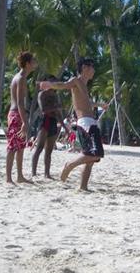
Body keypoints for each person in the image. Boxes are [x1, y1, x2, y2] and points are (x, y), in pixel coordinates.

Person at [40, 58, 108, 191]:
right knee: (96, 153)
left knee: (91, 160)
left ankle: (83, 186)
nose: (94, 70)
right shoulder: (76, 80)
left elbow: (85, 103)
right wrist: (50, 85)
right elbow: (63, 85)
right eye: (92, 67)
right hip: (85, 123)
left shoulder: (83, 85)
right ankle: (69, 165)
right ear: (84, 68)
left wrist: (100, 105)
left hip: (90, 122)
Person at [6, 51, 38, 184]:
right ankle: (8, 178)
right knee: (13, 147)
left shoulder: (21, 77)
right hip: (16, 114)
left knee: (20, 147)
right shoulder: (21, 78)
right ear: (27, 63)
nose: (36, 63)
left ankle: (19, 176)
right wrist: (25, 122)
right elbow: (19, 102)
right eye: (34, 61)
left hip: (17, 113)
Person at [31, 76, 68, 179]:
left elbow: (58, 113)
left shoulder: (55, 95)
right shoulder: (42, 94)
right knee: (39, 148)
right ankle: (34, 173)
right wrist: (57, 107)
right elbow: (44, 109)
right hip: (44, 121)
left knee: (49, 151)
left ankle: (47, 174)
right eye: (54, 82)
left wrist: (65, 127)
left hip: (53, 121)